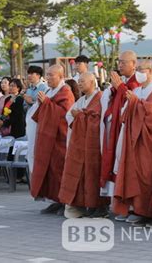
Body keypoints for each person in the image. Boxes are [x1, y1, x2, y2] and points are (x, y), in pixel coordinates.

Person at [112, 60, 152, 227]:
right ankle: (141, 211)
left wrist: (136, 103)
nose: (138, 73)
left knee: (150, 176)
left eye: (141, 70)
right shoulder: (137, 90)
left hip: (149, 141)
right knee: (137, 176)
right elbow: (126, 111)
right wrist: (133, 103)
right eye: (137, 70)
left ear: (150, 71)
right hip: (134, 139)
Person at [59, 72, 110, 219]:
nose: (79, 84)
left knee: (94, 174)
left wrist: (80, 115)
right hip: (82, 143)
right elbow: (69, 115)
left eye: (83, 81)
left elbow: (97, 118)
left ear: (92, 82)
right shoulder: (82, 99)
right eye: (79, 81)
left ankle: (100, 207)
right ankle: (88, 205)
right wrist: (80, 115)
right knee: (84, 176)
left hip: (95, 143)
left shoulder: (100, 98)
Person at [30, 65, 75, 214]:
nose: (48, 78)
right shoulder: (49, 91)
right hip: (47, 138)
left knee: (60, 170)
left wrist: (48, 103)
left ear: (61, 76)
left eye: (51, 75)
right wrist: (44, 103)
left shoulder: (66, 92)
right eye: (47, 75)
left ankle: (65, 202)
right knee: (50, 171)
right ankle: (55, 200)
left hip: (59, 138)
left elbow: (65, 114)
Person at [100, 50, 140, 209]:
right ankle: (118, 203)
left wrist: (120, 87)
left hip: (126, 129)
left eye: (124, 62)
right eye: (119, 62)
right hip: (115, 127)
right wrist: (114, 89)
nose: (120, 65)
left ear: (133, 64)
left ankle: (129, 206)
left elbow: (133, 101)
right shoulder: (123, 81)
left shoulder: (135, 82)